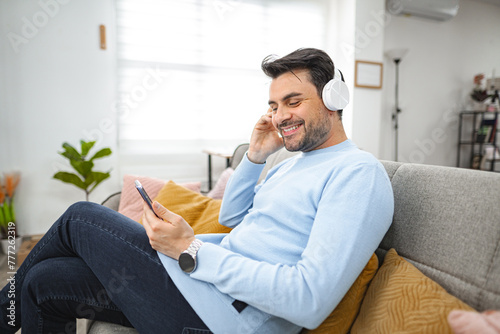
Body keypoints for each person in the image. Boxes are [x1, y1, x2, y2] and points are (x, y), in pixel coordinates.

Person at [0, 48, 394, 334]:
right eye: (273, 105)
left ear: (333, 101)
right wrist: (255, 156)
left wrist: (190, 251)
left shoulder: (357, 173)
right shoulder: (291, 164)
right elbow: (231, 218)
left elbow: (308, 301)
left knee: (81, 218)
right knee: (43, 283)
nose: (280, 116)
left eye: (293, 101)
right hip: (199, 291)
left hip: (224, 319)